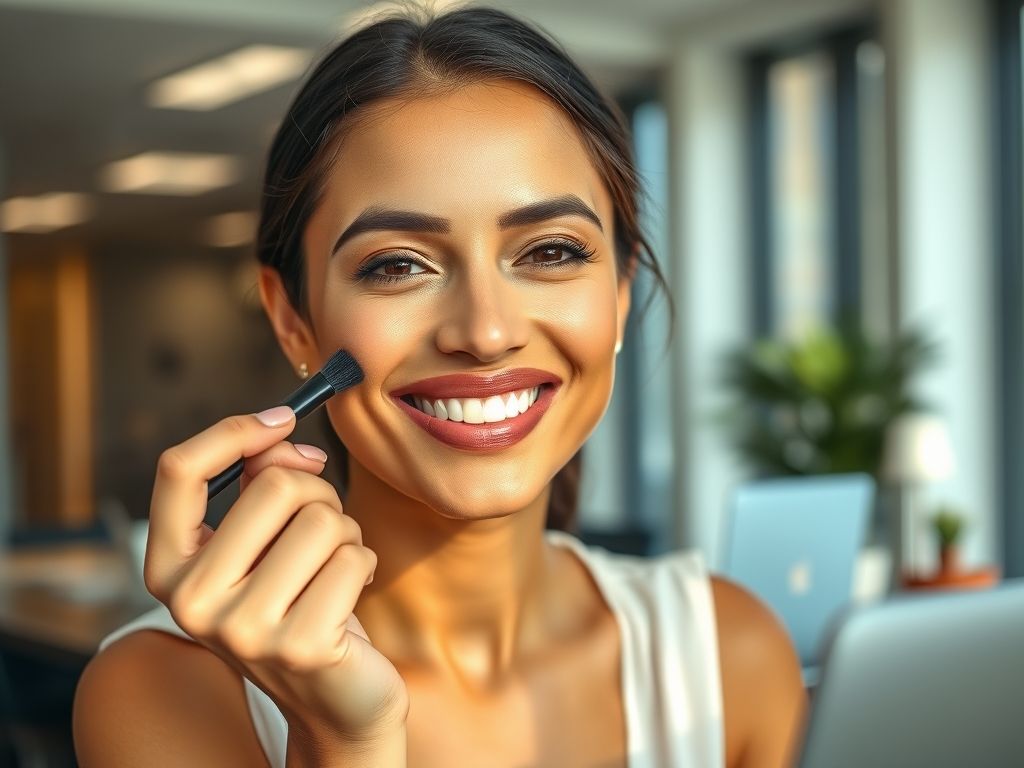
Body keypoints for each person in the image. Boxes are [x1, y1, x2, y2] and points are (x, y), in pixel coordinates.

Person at [72, 5, 805, 767]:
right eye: (396, 265)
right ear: (293, 320)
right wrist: (344, 742)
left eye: (552, 251)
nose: (486, 332)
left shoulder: (730, 656)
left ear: (619, 296)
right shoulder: (160, 693)